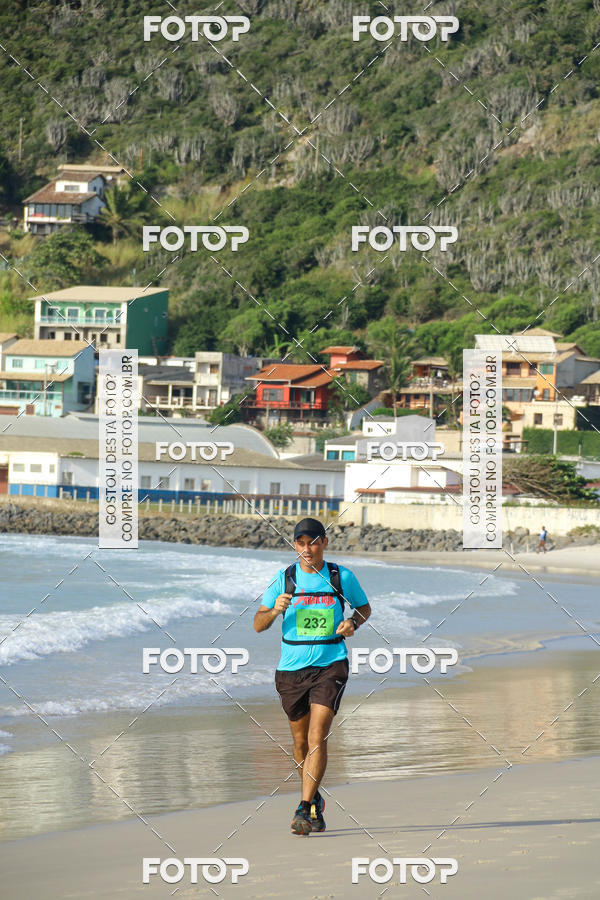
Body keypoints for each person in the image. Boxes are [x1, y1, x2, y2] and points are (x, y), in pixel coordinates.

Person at [254, 517, 371, 835]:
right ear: (295, 545)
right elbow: (258, 624)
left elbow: (363, 608)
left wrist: (352, 623)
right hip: (291, 671)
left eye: (314, 542)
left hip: (331, 665)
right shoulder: (284, 579)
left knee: (318, 736)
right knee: (300, 743)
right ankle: (314, 794)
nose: (308, 548)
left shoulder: (340, 576)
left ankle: (303, 809)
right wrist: (275, 610)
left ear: (324, 543)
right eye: (301, 543)